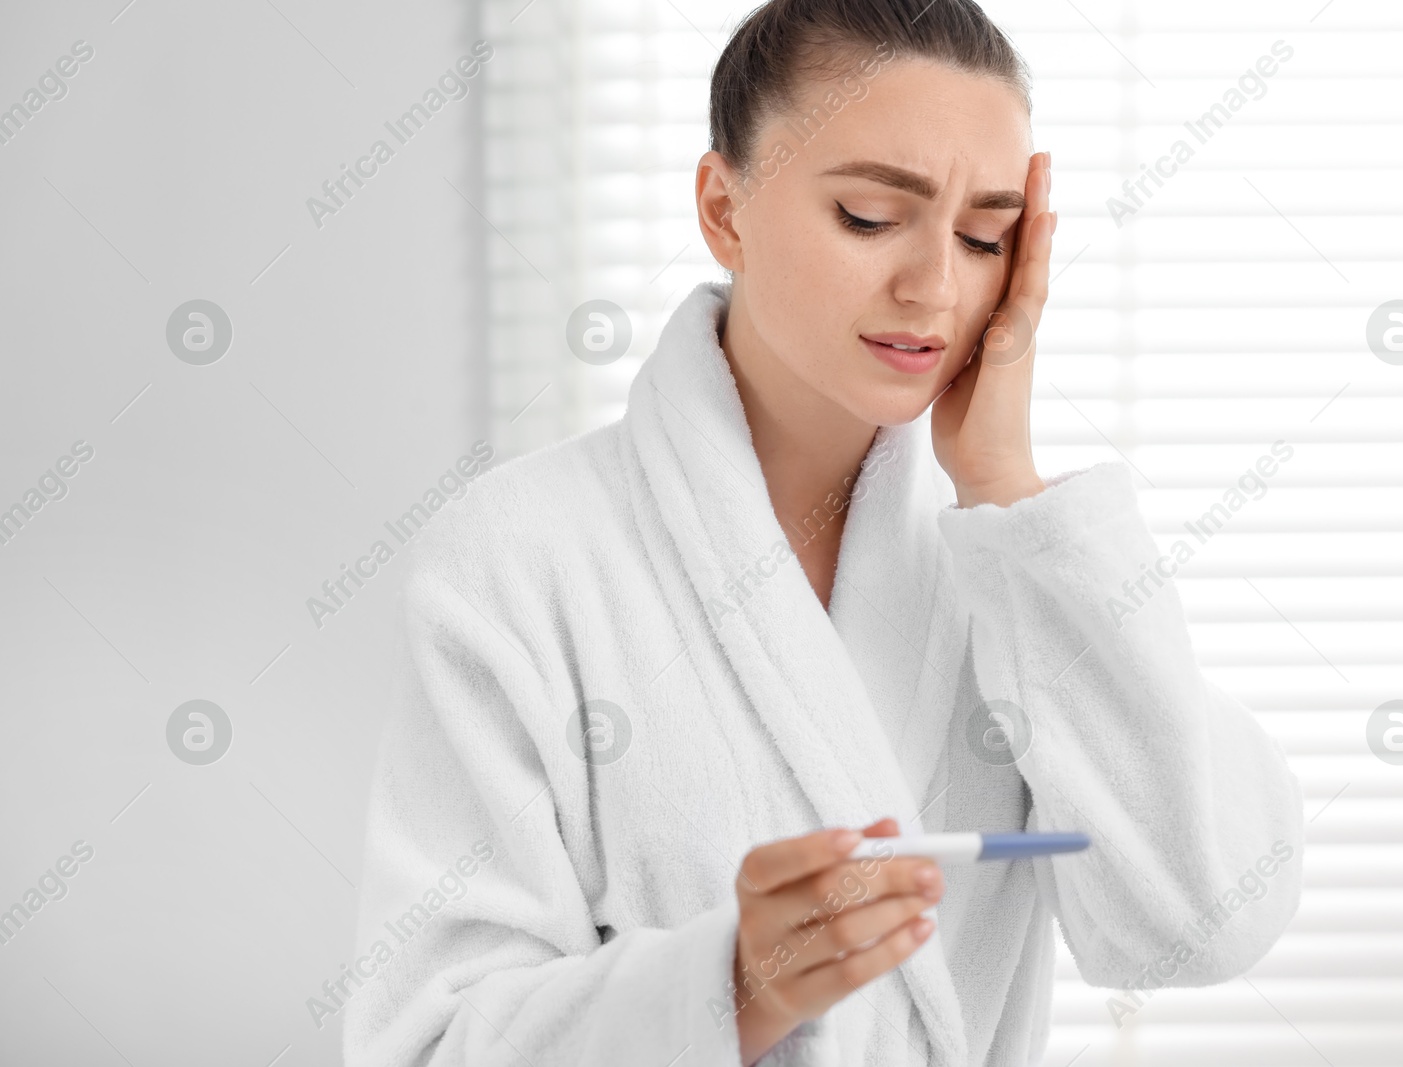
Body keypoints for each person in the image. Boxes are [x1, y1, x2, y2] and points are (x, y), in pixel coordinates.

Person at [343, 1, 1304, 1064]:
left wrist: (1004, 486)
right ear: (724, 208)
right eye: (866, 215)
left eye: (985, 236)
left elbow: (1196, 922)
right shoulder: (519, 557)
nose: (935, 286)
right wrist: (728, 986)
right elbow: (425, 1042)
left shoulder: (1013, 566)